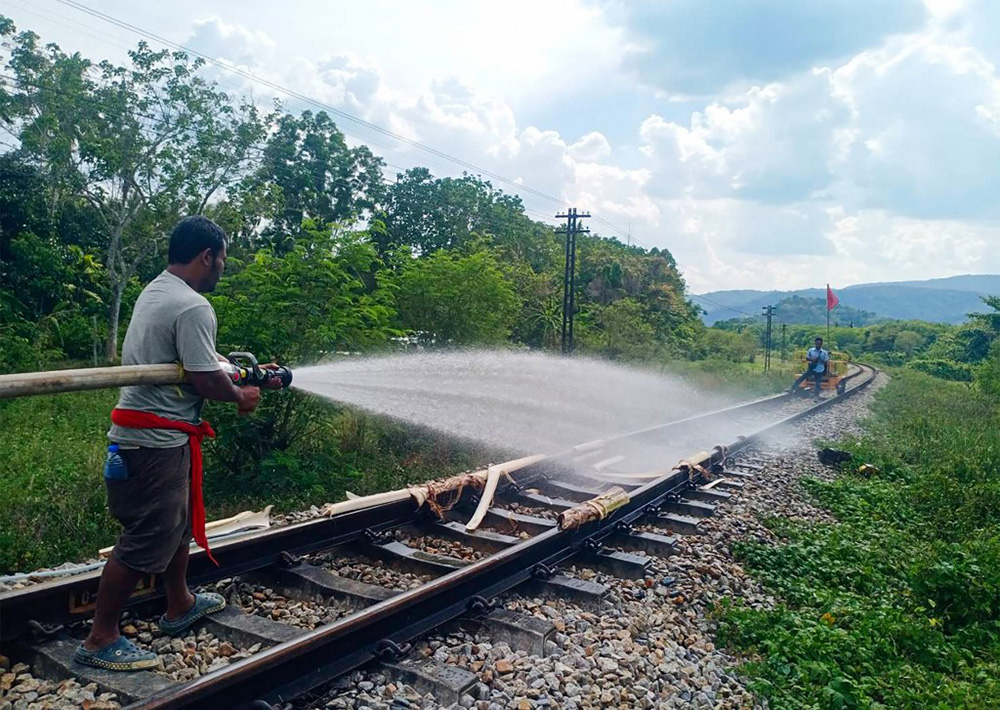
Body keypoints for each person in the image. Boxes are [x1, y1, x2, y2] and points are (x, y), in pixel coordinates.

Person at [75, 216, 283, 671]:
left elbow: (195, 360)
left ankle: (179, 603)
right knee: (147, 536)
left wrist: (240, 370)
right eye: (222, 260)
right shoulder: (193, 306)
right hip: (155, 443)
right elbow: (207, 379)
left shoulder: (157, 290)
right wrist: (241, 394)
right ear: (207, 256)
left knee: (177, 525)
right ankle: (100, 638)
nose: (222, 269)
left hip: (147, 437)